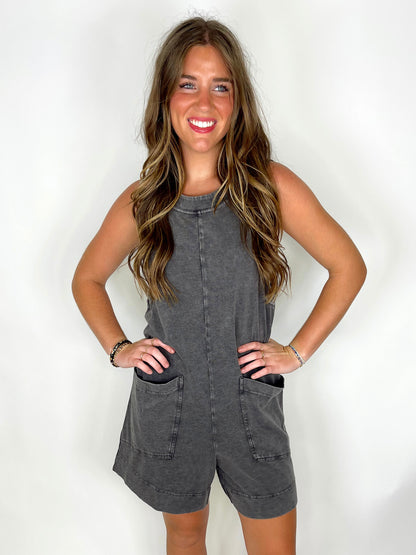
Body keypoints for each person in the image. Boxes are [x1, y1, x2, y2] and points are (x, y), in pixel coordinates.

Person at [72, 16, 366, 555]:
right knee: (185, 535)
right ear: (166, 97)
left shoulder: (271, 187)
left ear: (238, 101)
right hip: (171, 399)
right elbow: (87, 278)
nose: (204, 103)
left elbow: (348, 266)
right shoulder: (143, 201)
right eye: (188, 84)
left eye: (220, 86)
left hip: (248, 401)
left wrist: (297, 352)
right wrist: (119, 348)